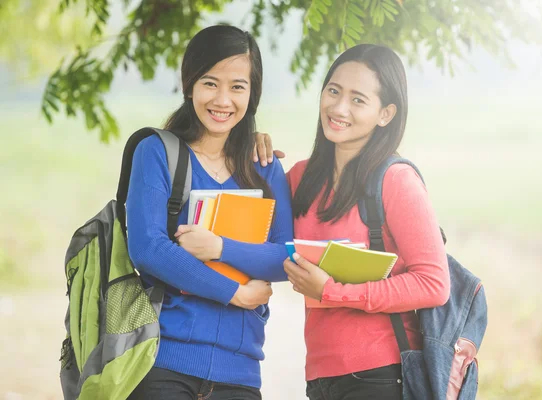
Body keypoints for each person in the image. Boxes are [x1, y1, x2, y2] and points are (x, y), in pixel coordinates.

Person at [257, 44, 451, 400]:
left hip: (383, 374)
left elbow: (433, 283)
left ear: (386, 113)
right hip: (320, 377)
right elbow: (260, 244)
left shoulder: (395, 180)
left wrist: (332, 292)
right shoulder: (300, 178)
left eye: (358, 99)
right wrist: (253, 154)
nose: (339, 108)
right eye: (333, 91)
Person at [126, 25, 293, 400]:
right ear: (189, 85)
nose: (223, 99)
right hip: (161, 366)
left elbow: (286, 258)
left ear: (253, 94)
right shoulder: (157, 152)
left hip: (241, 375)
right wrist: (234, 292)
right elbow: (148, 248)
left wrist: (220, 248)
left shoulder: (264, 167)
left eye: (237, 86)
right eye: (209, 82)